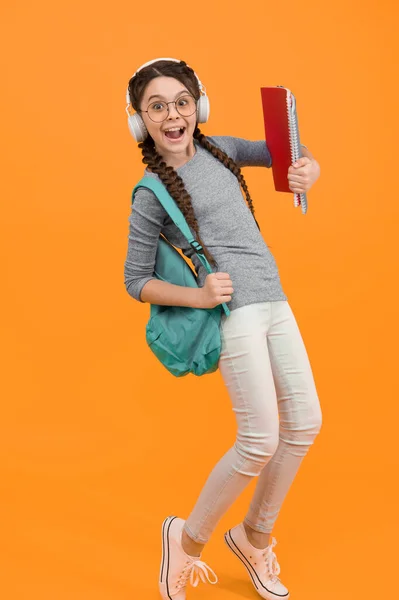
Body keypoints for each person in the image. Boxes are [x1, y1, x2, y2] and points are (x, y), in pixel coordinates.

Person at [124, 58, 323, 600]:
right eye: (157, 106)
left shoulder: (222, 150)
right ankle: (185, 544)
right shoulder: (151, 193)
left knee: (304, 422)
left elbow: (286, 155)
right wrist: (198, 294)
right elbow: (134, 279)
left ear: (199, 106)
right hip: (233, 316)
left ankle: (253, 536)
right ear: (141, 120)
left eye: (182, 102)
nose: (173, 114)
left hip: (275, 300)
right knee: (258, 440)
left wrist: (308, 168)